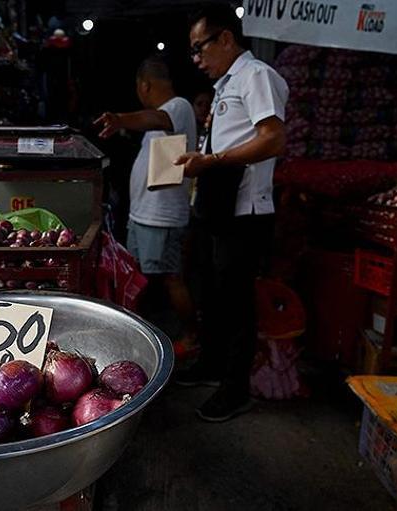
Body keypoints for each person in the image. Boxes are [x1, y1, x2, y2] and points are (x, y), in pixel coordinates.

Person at [173, 6, 289, 422]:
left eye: (200, 47)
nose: (197, 59)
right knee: (210, 290)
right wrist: (206, 159)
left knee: (236, 300)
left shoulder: (256, 75)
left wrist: (214, 159)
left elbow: (273, 139)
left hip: (245, 210)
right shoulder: (228, 84)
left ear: (226, 38)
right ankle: (212, 364)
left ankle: (235, 388)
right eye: (192, 52)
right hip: (218, 204)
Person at [95, 56, 199, 354]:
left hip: (162, 218)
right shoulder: (161, 116)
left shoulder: (177, 107)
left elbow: (156, 119)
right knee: (138, 278)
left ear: (145, 85)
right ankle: (138, 336)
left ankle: (192, 337)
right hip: (144, 216)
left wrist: (120, 119)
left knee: (170, 279)